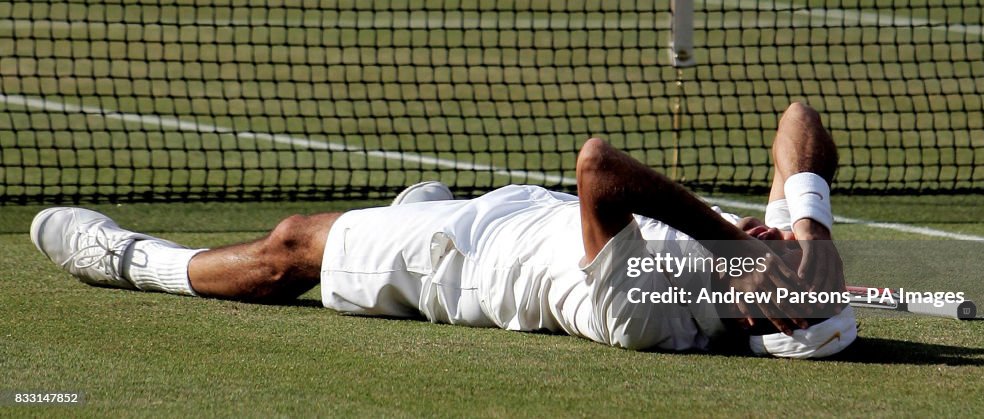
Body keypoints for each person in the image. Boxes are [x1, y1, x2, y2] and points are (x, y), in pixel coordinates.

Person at [30, 102, 855, 358]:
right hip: (524, 210)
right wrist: (809, 222)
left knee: (292, 249)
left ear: (760, 316)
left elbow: (599, 166)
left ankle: (132, 260)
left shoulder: (651, 314)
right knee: (411, 206)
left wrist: (729, 240)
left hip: (458, 265)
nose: (778, 244)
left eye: (785, 273)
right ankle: (411, 203)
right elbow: (799, 120)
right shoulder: (767, 261)